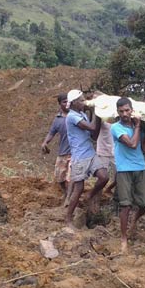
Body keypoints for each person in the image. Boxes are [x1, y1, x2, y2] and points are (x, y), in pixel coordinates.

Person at [110, 97, 145, 253]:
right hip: (124, 169)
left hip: (140, 167)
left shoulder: (137, 127)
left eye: (127, 110)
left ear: (132, 110)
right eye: (121, 111)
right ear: (118, 112)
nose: (125, 114)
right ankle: (123, 238)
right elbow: (133, 145)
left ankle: (134, 220)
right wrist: (139, 127)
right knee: (125, 205)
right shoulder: (116, 127)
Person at [64, 89, 108, 228]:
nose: (84, 102)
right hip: (80, 157)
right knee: (78, 189)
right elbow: (93, 127)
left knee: (104, 177)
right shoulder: (71, 116)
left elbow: (94, 134)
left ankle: (89, 195)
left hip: (89, 153)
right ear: (75, 103)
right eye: (82, 100)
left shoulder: (81, 114)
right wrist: (96, 109)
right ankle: (68, 218)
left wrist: (96, 113)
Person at [41, 93, 72, 203]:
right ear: (59, 104)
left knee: (69, 178)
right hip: (62, 152)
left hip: (74, 153)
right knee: (59, 178)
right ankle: (66, 193)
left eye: (68, 101)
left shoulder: (75, 116)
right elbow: (51, 133)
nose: (67, 104)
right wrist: (45, 143)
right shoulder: (57, 119)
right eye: (64, 102)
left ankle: (69, 198)